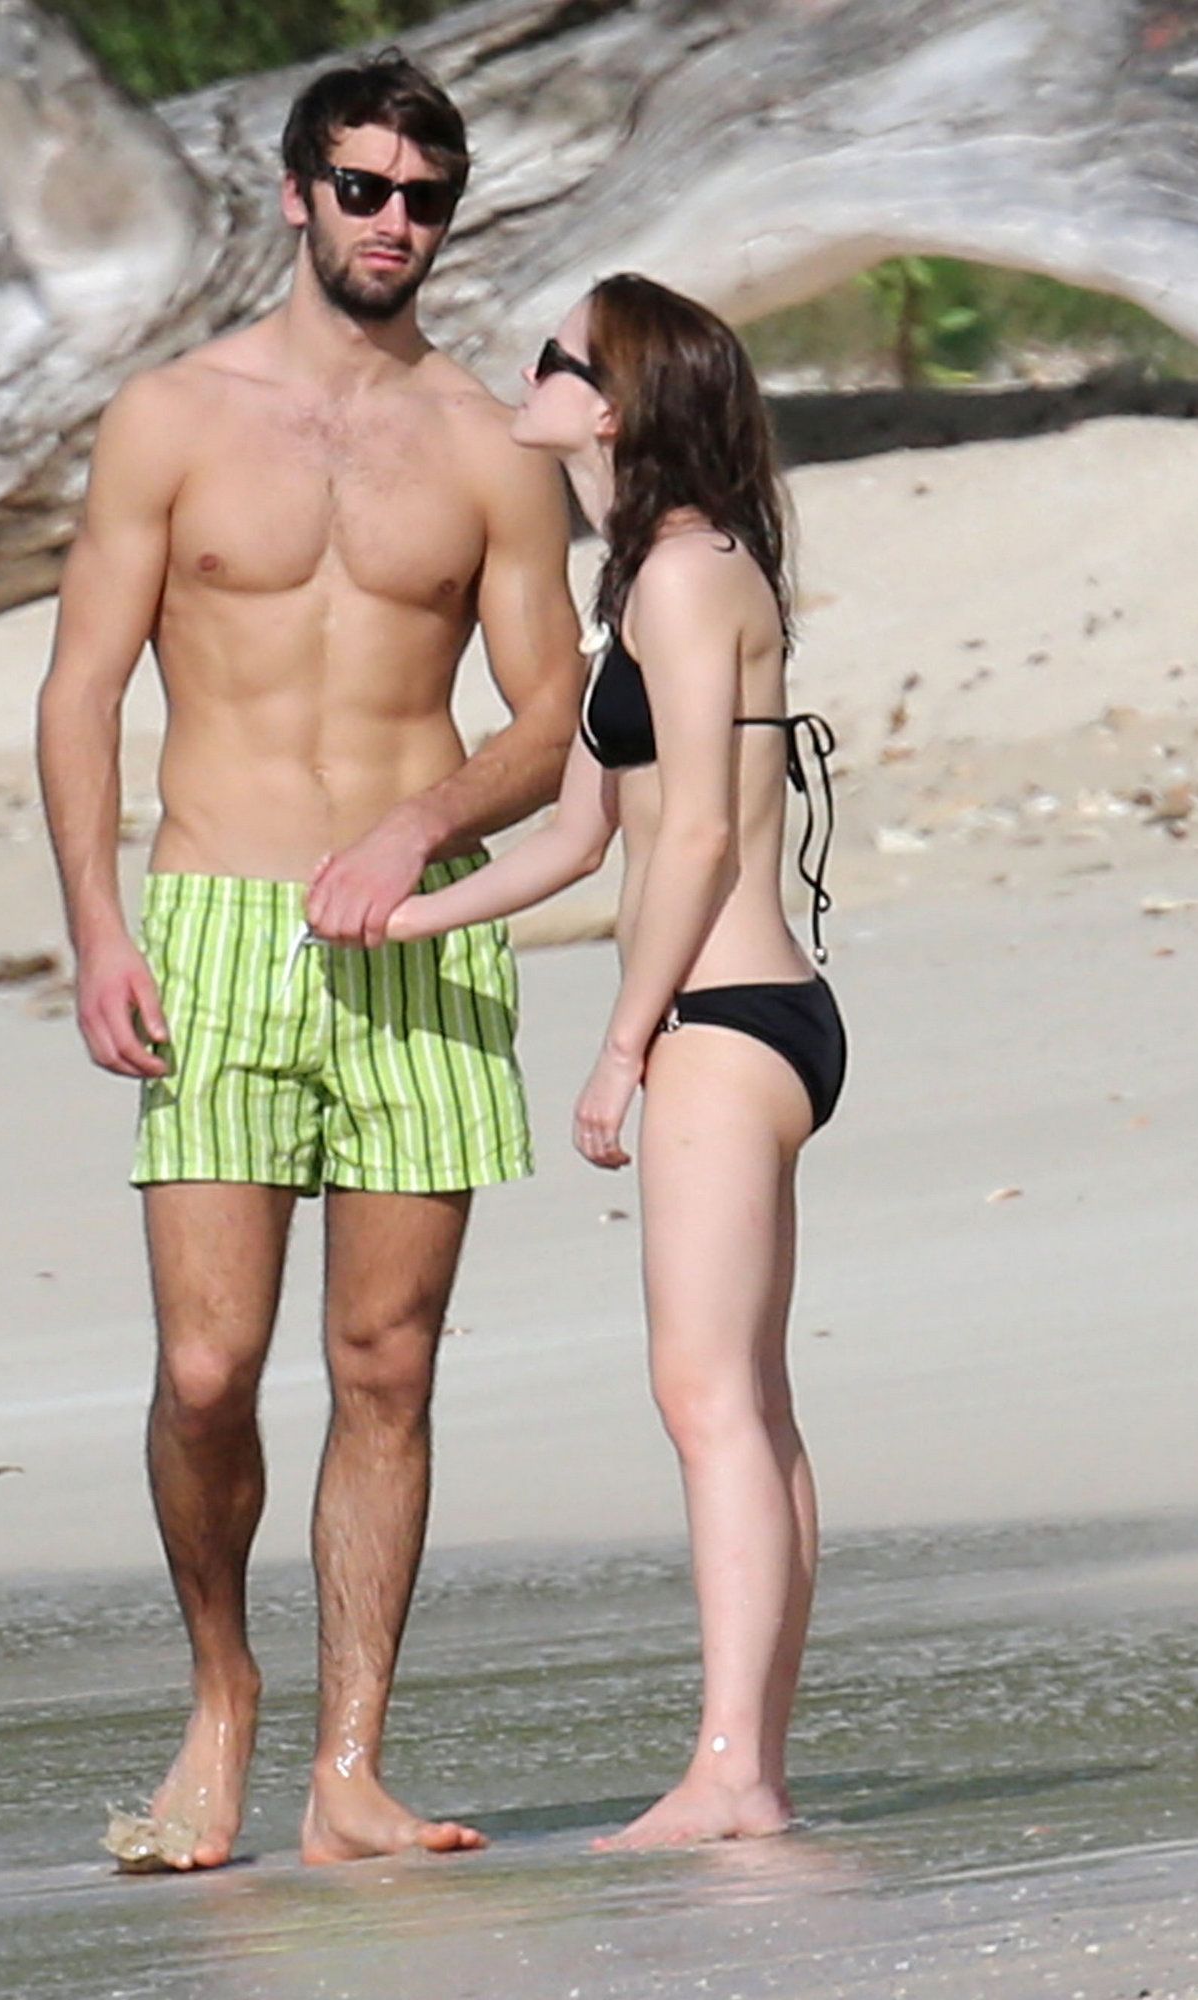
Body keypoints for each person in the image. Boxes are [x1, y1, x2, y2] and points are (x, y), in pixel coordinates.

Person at [37, 49, 584, 1869]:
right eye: (362, 189)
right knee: (207, 1369)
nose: (393, 222)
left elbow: (553, 716)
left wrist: (417, 827)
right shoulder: (171, 417)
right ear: (297, 196)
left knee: (384, 1366)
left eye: (423, 197)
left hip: (418, 932)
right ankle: (222, 1699)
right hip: (212, 919)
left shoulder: (491, 445)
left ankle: (350, 1769)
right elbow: (80, 689)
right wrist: (96, 928)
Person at [390, 273, 845, 1849]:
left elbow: (701, 836)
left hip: (727, 1019)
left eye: (554, 357)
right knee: (747, 1401)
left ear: (611, 404)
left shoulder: (689, 573)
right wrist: (402, 912)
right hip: (732, 1017)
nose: (527, 372)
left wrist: (617, 1046)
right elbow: (580, 838)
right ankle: (752, 1767)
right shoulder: (640, 582)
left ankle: (732, 1771)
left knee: (704, 1394)